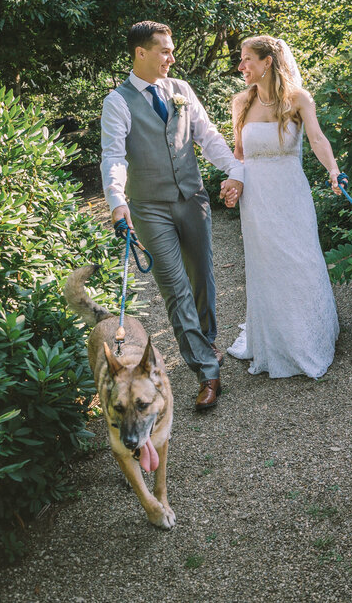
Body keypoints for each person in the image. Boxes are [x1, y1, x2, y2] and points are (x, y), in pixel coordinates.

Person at [100, 21, 244, 410]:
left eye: (171, 49)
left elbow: (208, 136)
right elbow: (113, 156)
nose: (171, 57)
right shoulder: (117, 102)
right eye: (164, 50)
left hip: (193, 198)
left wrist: (235, 170)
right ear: (140, 53)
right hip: (149, 207)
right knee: (175, 289)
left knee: (204, 277)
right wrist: (118, 201)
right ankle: (207, 371)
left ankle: (206, 341)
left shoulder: (181, 90)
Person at [225, 35, 340, 379]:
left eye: (247, 59)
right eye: (241, 60)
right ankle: (274, 342)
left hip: (289, 190)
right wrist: (234, 183)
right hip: (256, 199)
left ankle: (310, 338)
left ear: (267, 62)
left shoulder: (298, 100)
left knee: (300, 258)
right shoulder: (241, 103)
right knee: (266, 265)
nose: (241, 66)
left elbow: (317, 139)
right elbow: (239, 156)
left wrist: (333, 170)